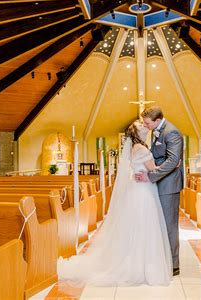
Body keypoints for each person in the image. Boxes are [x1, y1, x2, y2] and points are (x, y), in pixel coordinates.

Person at [58, 120, 173, 286]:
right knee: (145, 226)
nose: (144, 126)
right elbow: (153, 169)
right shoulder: (141, 148)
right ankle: (142, 266)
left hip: (138, 189)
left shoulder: (135, 148)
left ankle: (136, 262)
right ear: (136, 133)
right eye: (141, 125)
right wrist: (171, 163)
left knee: (138, 228)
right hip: (143, 191)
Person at [135, 106, 184, 277]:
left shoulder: (171, 132)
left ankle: (173, 265)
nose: (145, 125)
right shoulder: (157, 130)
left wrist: (151, 175)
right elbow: (162, 158)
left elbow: (172, 161)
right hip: (160, 182)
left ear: (157, 120)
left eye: (147, 123)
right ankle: (163, 260)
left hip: (169, 185)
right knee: (160, 224)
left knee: (169, 225)